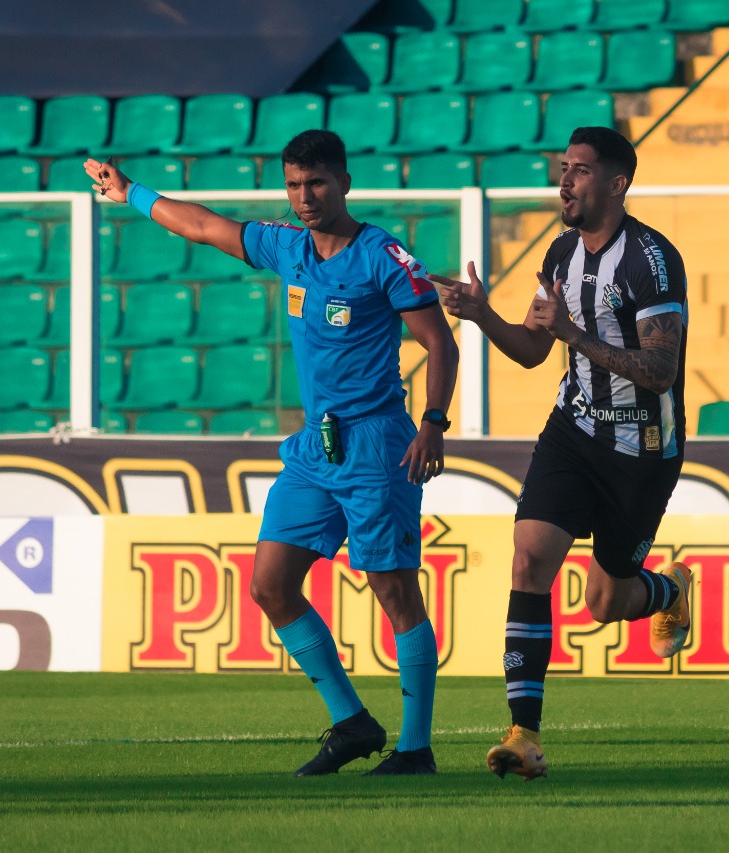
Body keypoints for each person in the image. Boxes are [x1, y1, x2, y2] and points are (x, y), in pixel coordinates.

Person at [84, 129, 459, 777]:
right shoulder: (287, 246)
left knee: (393, 589)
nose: (304, 196)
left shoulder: (382, 255)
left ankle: (416, 747)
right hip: (314, 448)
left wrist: (432, 422)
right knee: (270, 584)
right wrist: (130, 194)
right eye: (293, 184)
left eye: (316, 183)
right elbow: (203, 225)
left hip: (377, 445)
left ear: (344, 182)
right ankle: (352, 723)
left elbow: (438, 342)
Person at [431, 126, 691, 781]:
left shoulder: (652, 260)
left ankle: (668, 588)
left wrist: (574, 331)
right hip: (573, 431)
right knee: (529, 556)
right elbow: (532, 348)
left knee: (606, 602)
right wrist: (482, 314)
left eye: (579, 170)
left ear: (617, 183)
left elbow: (661, 369)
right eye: (563, 168)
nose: (564, 181)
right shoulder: (559, 253)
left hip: (642, 448)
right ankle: (524, 735)